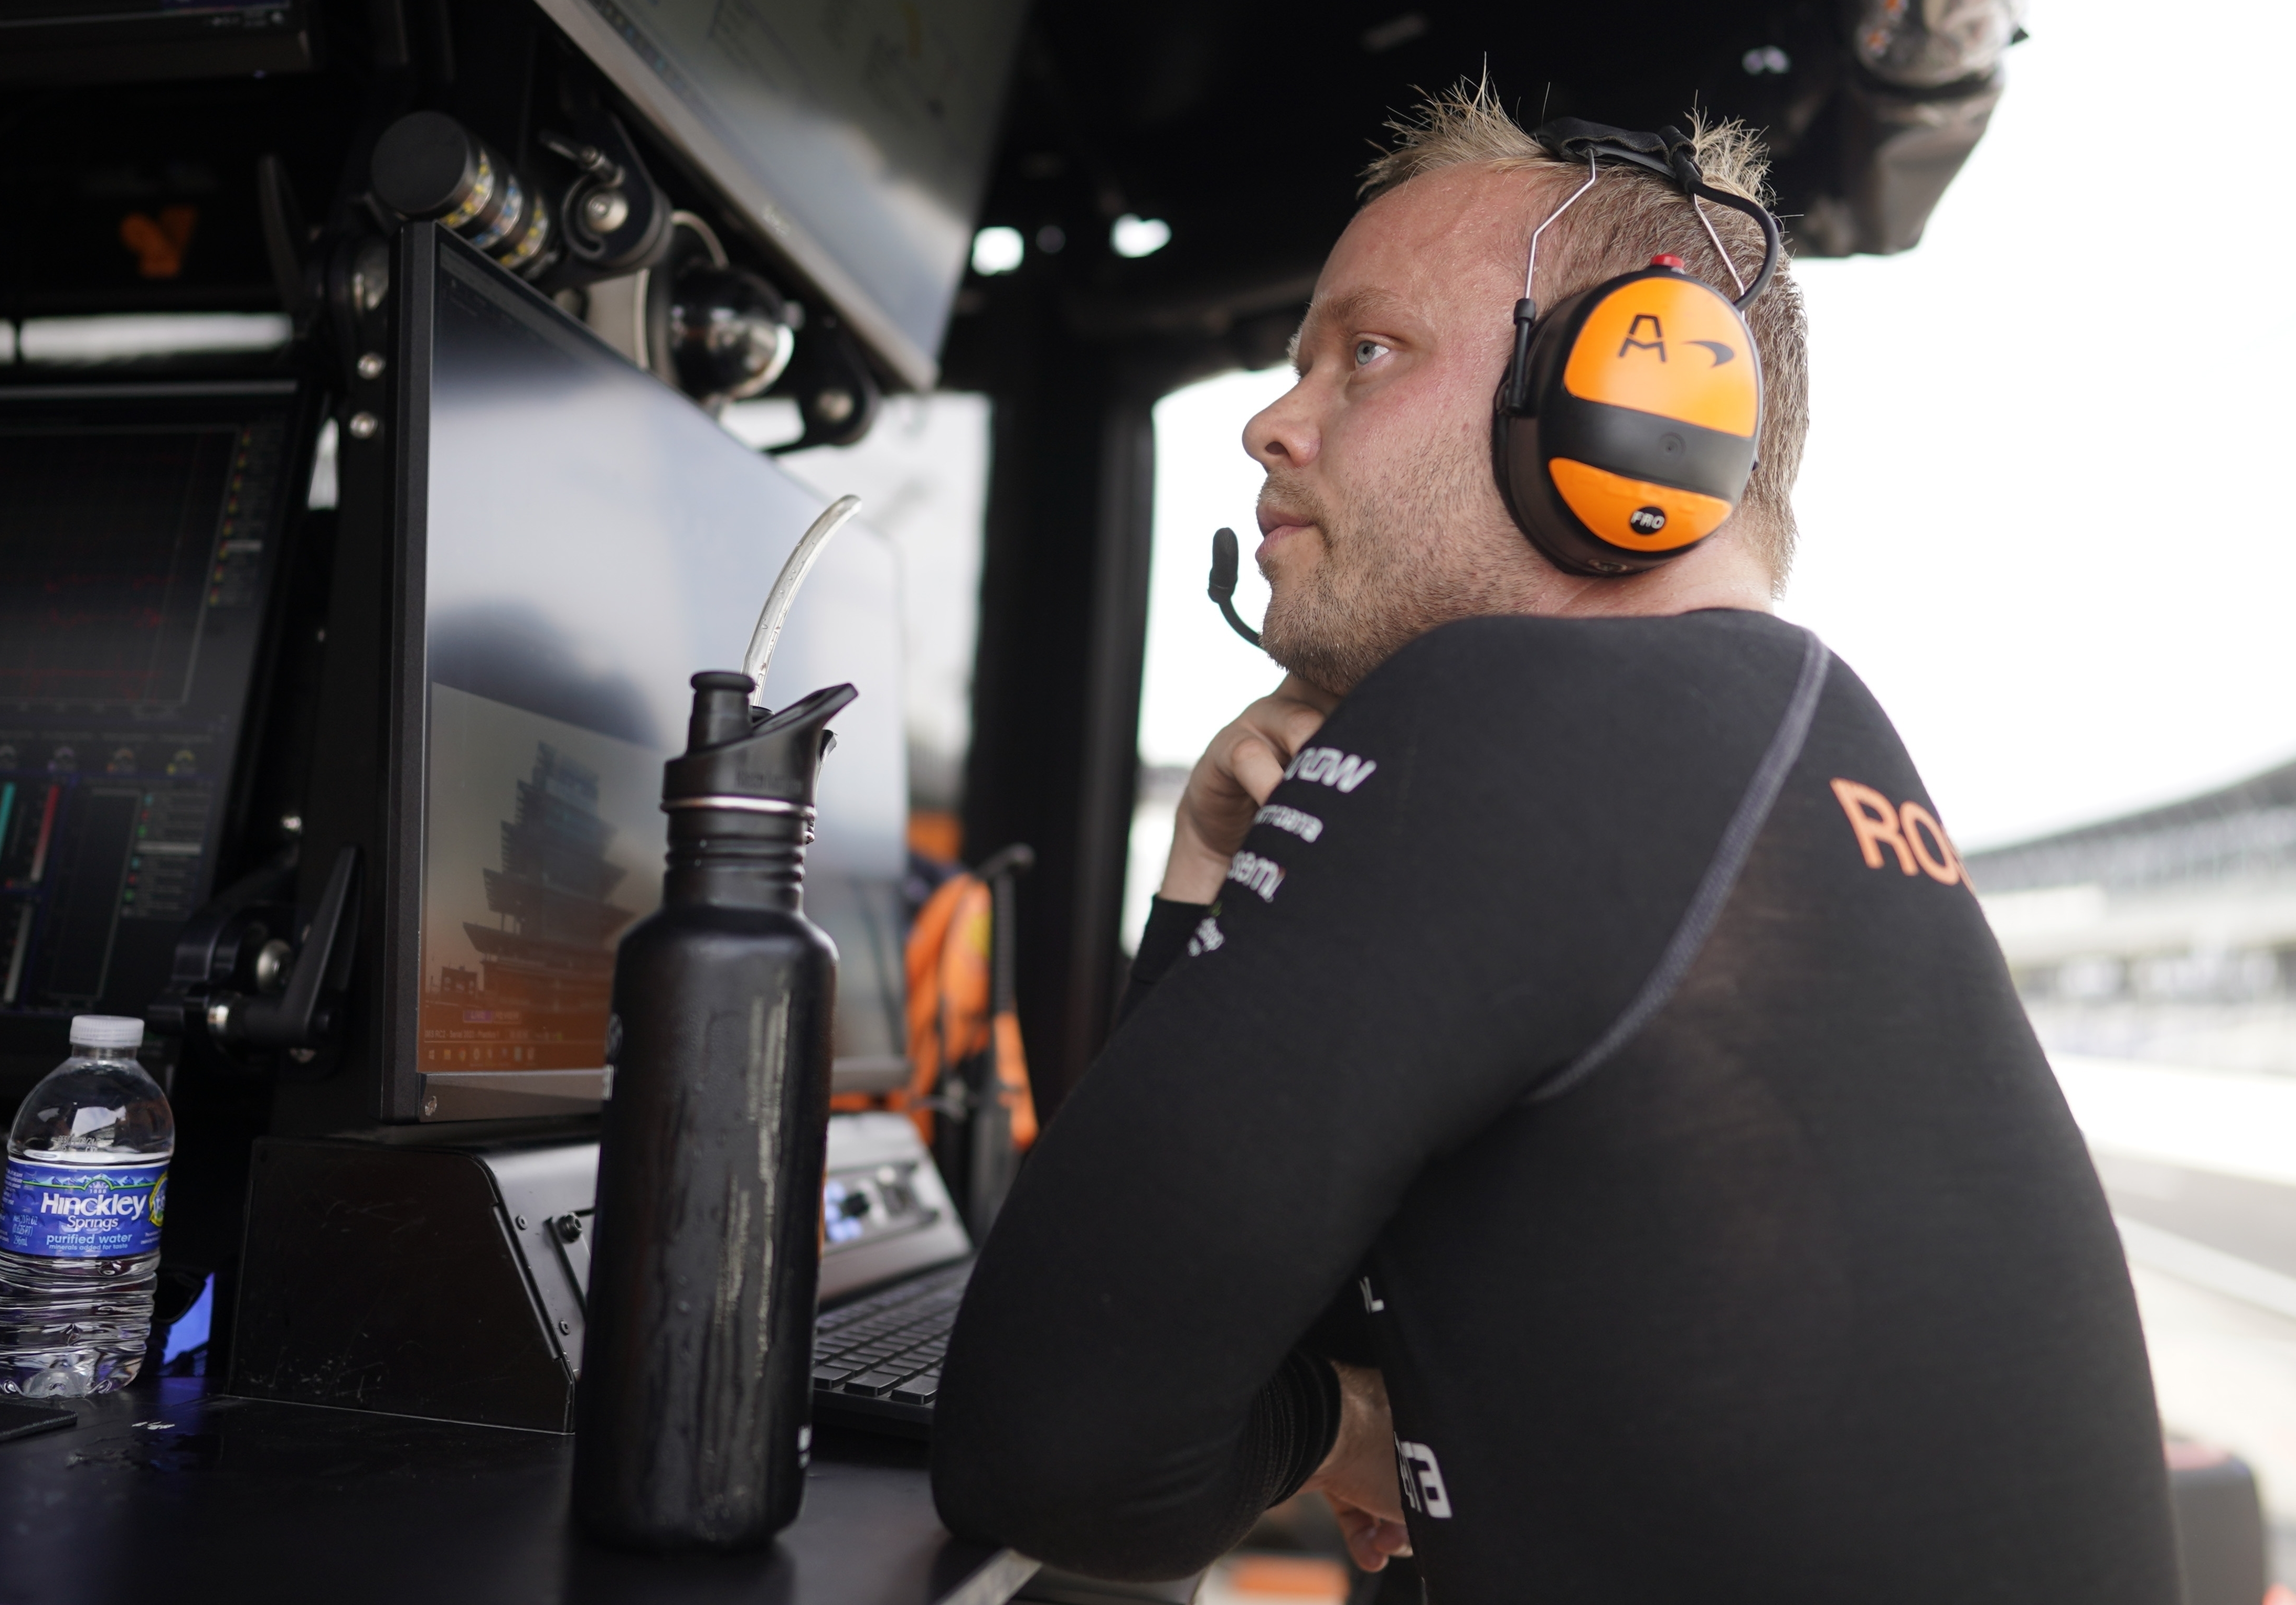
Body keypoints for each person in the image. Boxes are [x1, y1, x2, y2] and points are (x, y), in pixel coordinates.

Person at [928, 85, 2178, 1601]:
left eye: (1366, 353)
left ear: (1642, 406)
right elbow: (1210, 1310)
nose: (1271, 420)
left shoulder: (1522, 712)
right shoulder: (1767, 736)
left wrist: (1342, 1424)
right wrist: (1215, 866)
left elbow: (1059, 1445)